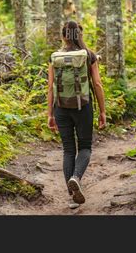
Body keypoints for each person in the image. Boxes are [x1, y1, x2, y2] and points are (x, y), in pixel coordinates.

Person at [47, 20, 106, 209]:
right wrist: (103, 111)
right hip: (83, 107)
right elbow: (97, 84)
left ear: (64, 36)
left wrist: (50, 114)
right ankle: (76, 177)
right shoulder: (88, 55)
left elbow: (50, 88)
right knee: (85, 147)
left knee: (68, 150)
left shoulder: (55, 57)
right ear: (80, 36)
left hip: (61, 107)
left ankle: (72, 195)